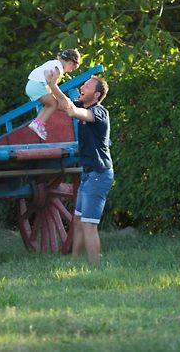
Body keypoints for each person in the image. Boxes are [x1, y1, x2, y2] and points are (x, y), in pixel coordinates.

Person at [49, 72, 114, 264]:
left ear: (96, 95)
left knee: (89, 224)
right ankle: (74, 262)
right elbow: (59, 103)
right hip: (88, 175)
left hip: (99, 174)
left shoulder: (99, 111)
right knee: (78, 221)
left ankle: (95, 267)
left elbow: (70, 111)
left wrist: (54, 85)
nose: (82, 88)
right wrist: (44, 87)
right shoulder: (81, 104)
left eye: (87, 86)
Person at [25, 49, 81, 140]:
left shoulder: (53, 63)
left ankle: (37, 122)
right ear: (70, 63)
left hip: (31, 85)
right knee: (54, 104)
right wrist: (64, 99)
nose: (70, 71)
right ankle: (39, 124)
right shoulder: (58, 69)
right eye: (73, 69)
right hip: (37, 86)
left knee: (50, 103)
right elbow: (53, 85)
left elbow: (50, 87)